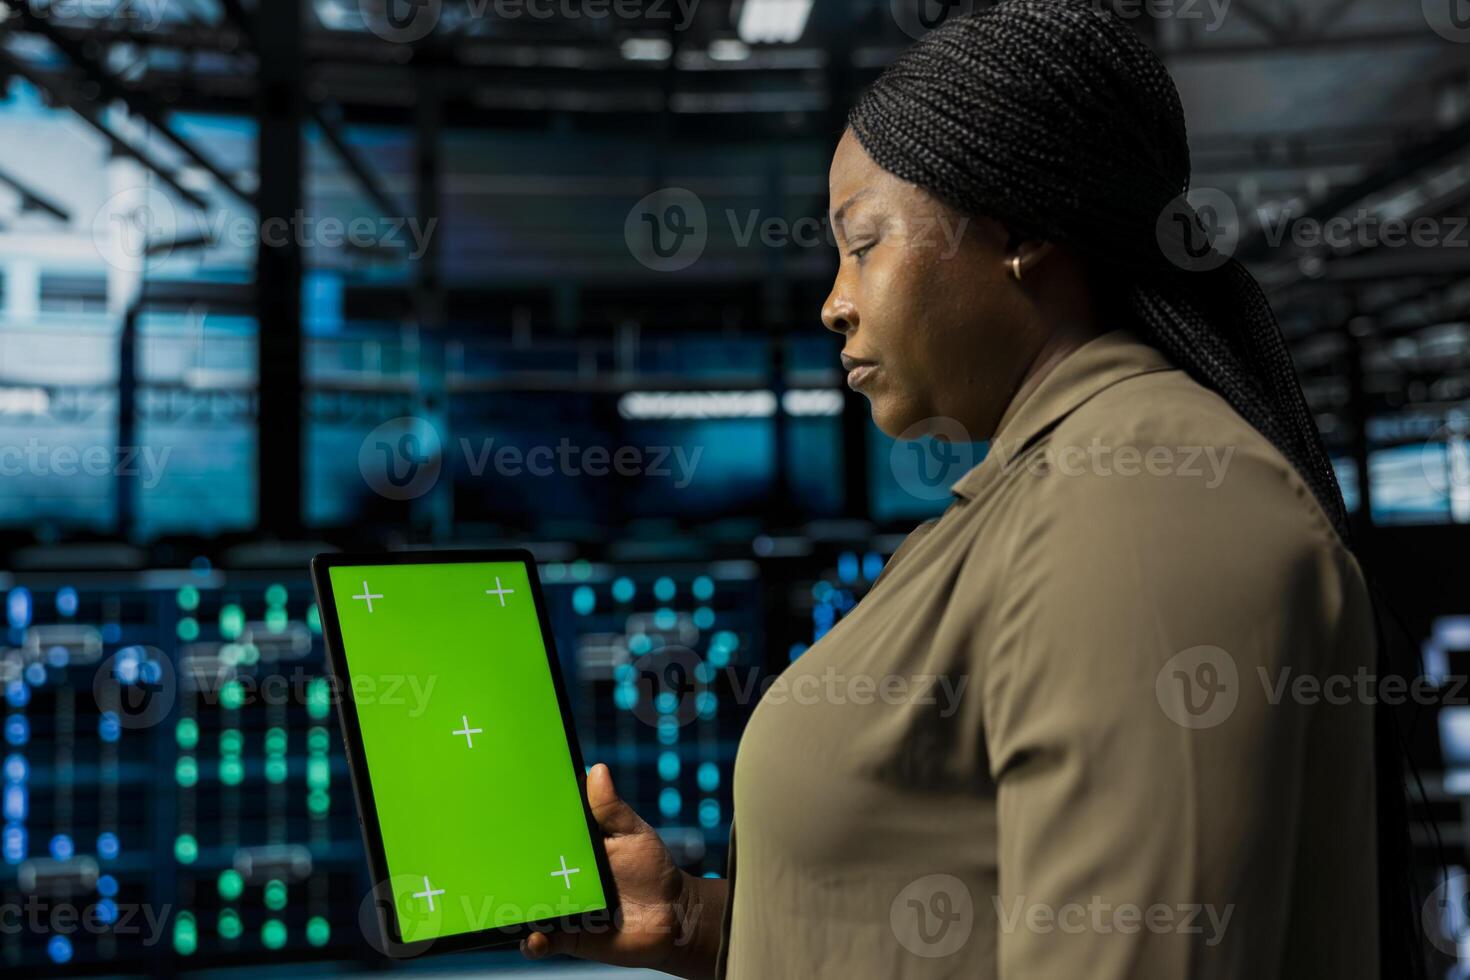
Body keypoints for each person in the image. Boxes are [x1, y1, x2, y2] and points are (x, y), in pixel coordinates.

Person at [521, 1, 1420, 976]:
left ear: (1019, 231)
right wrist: (699, 921)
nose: (833, 300)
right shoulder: (1036, 499)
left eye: (862, 243)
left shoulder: (1139, 517)